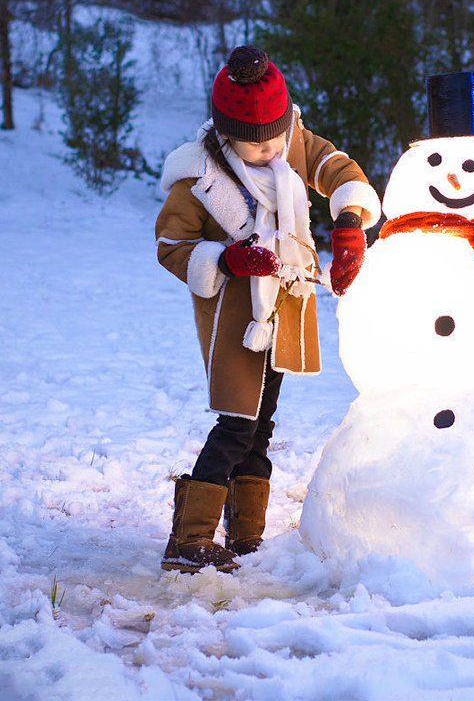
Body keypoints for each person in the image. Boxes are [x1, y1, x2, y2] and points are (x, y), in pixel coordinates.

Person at [155, 45, 381, 573]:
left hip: (285, 308)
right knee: (236, 423)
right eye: (255, 146)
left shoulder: (291, 143)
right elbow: (171, 244)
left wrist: (348, 221)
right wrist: (227, 259)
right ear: (225, 135)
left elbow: (338, 169)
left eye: (277, 138)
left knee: (262, 424)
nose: (271, 151)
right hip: (234, 319)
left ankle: (246, 534)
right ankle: (189, 539)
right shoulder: (199, 177)